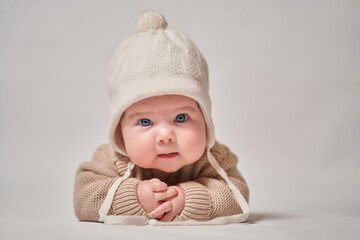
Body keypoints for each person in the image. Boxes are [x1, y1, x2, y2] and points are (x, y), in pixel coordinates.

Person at [73, 10, 250, 226]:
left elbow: (237, 195)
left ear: (205, 119)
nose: (165, 136)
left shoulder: (214, 157)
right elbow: (85, 197)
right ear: (120, 129)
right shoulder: (112, 159)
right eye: (145, 122)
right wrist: (134, 196)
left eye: (181, 117)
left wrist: (189, 199)